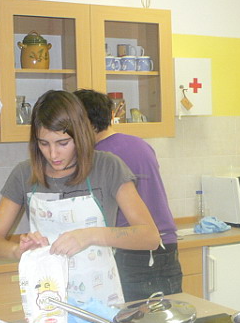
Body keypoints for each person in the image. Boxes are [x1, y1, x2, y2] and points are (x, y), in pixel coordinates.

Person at [0, 89, 160, 308]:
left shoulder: (107, 167)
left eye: (63, 143)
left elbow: (149, 236)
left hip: (101, 303)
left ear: (80, 135)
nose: (53, 154)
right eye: (44, 144)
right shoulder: (24, 174)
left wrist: (91, 235)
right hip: (47, 303)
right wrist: (16, 250)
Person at [75, 89, 182, 301]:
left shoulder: (99, 158)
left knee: (132, 319)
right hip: (167, 247)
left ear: (86, 123)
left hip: (132, 250)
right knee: (165, 317)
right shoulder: (141, 144)